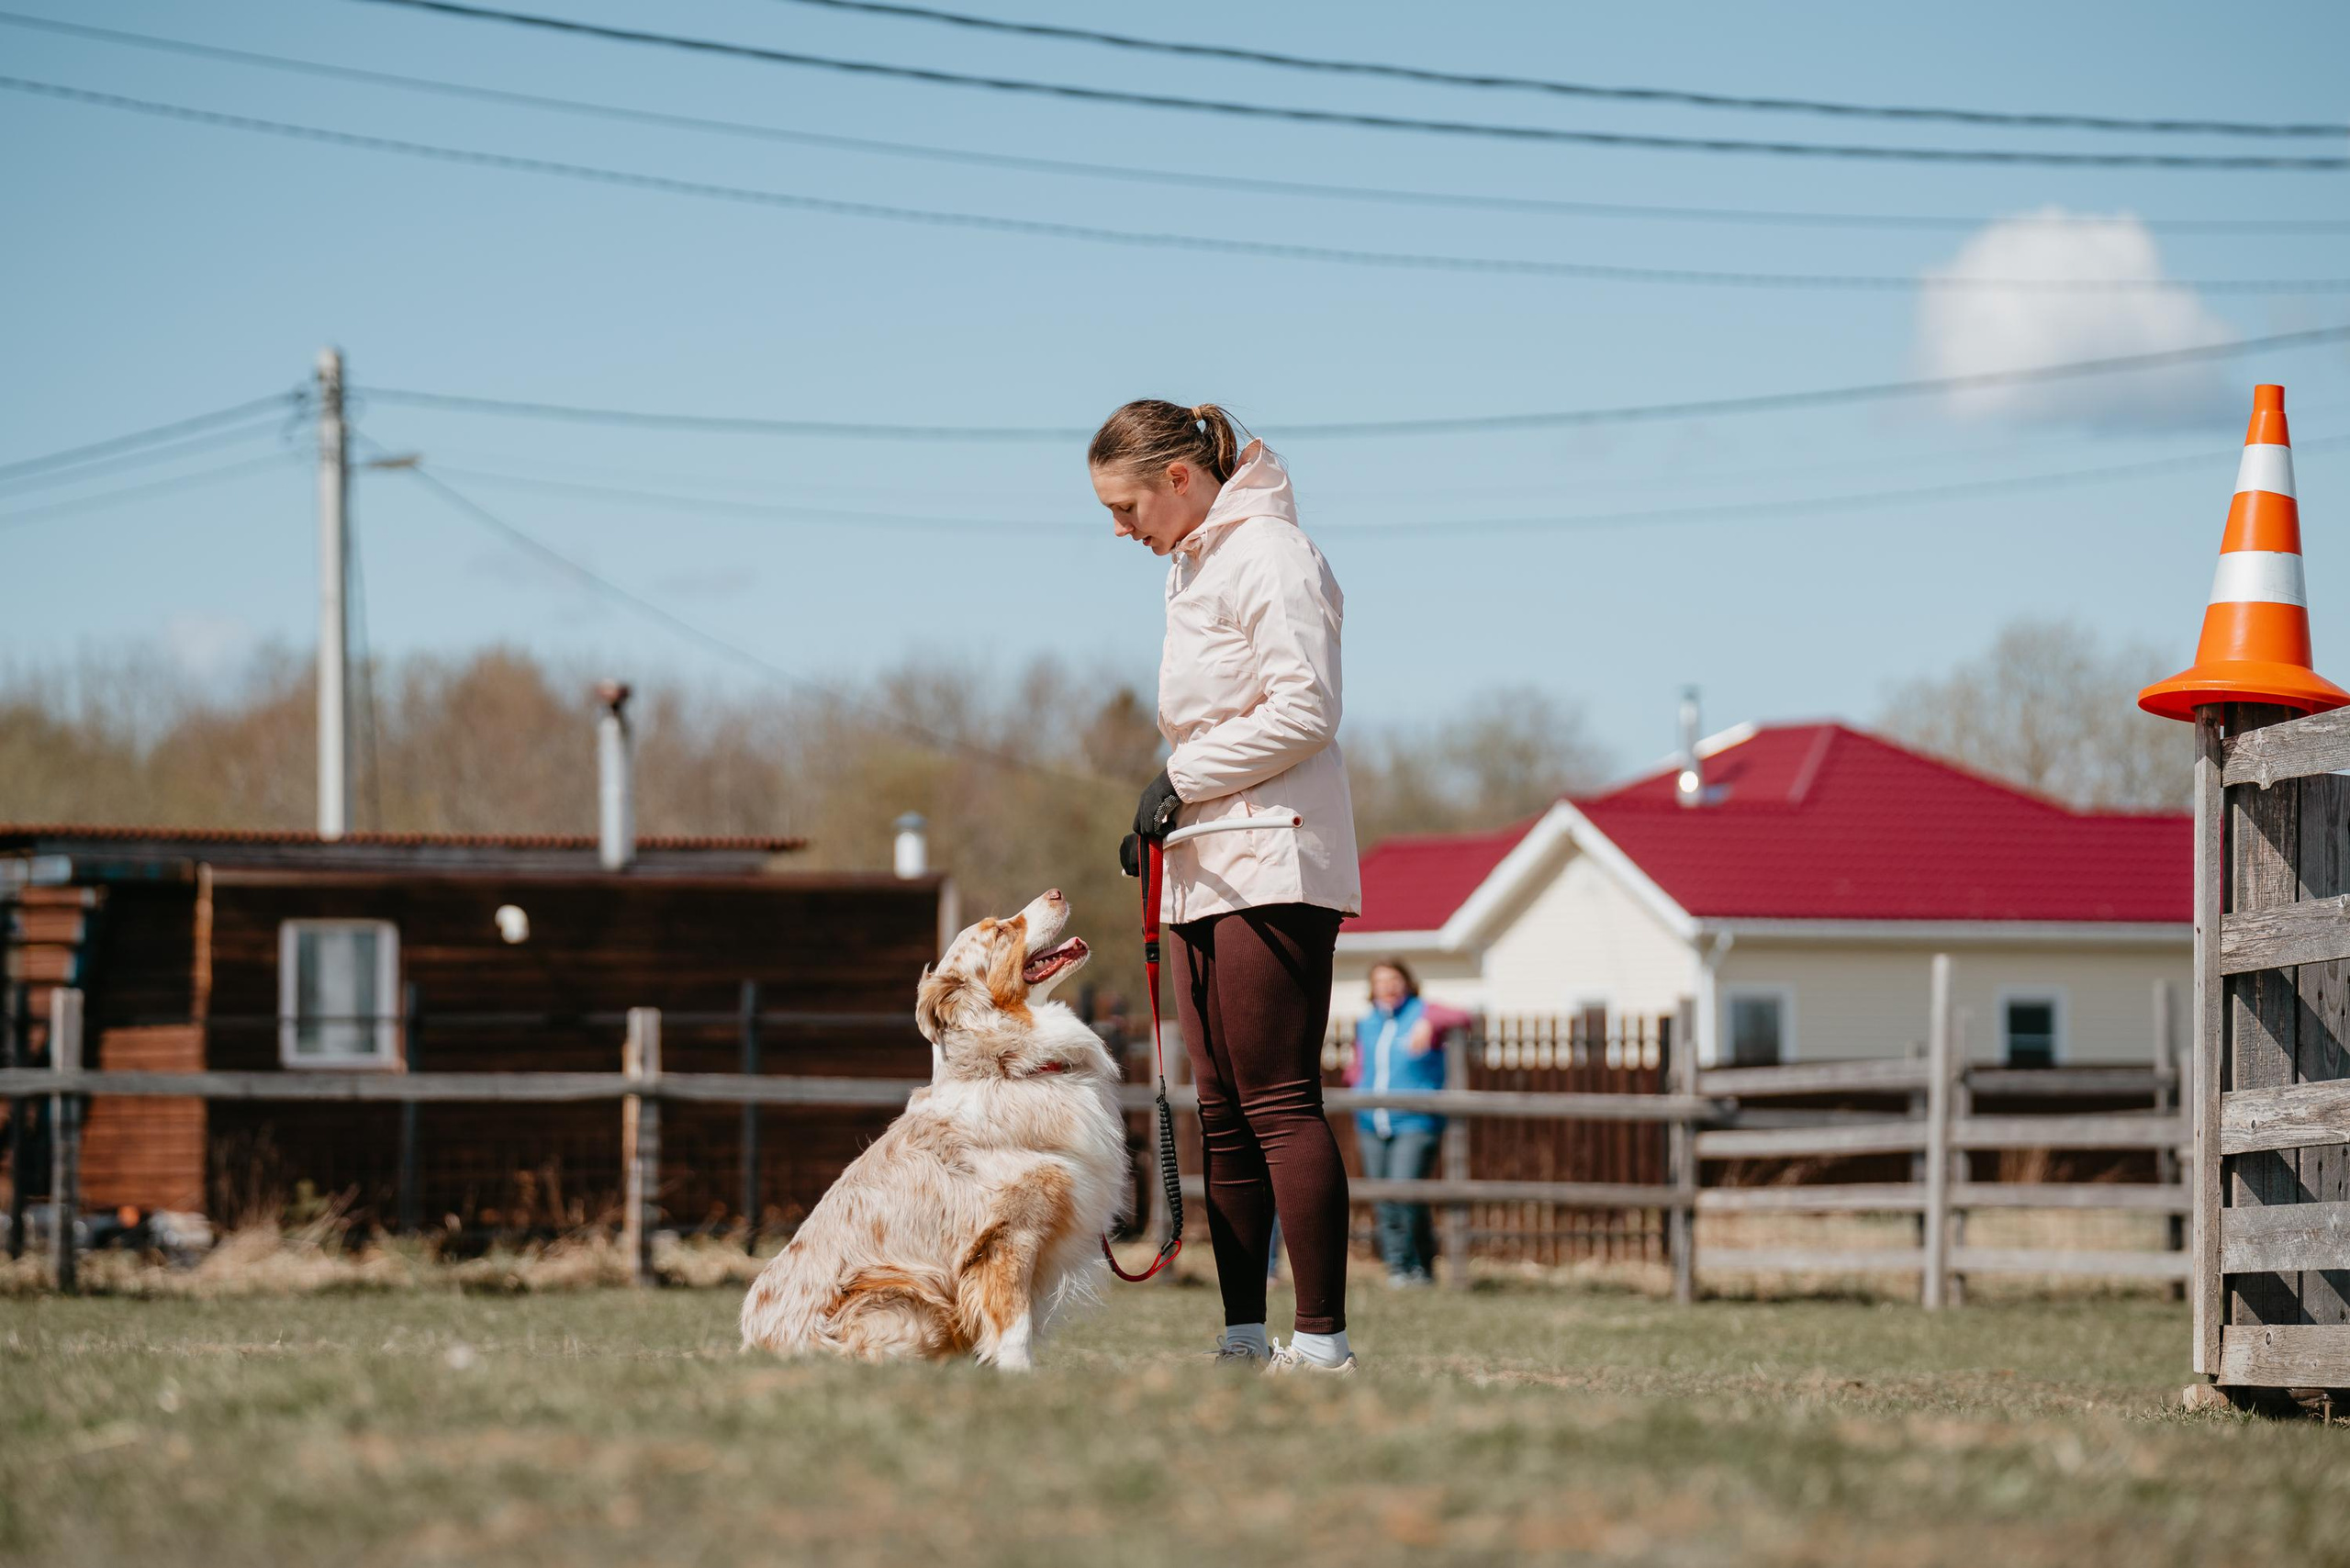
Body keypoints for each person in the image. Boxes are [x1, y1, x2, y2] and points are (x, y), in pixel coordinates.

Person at [1091, 399, 1361, 1374]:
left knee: (1278, 1098)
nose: (1119, 529)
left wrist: (1182, 782)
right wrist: (1166, 813)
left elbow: (1306, 710)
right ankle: (1245, 1335)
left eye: (1125, 507)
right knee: (1220, 1109)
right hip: (1209, 856)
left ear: (1176, 479)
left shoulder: (1272, 555)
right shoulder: (1193, 564)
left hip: (1278, 855)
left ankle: (1322, 1343)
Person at [1349, 958, 1470, 1288]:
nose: (1388, 986)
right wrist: (1356, 1085)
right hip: (1371, 1122)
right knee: (1384, 1198)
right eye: (1380, 981)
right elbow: (1359, 1066)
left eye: (1394, 979)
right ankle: (1398, 1268)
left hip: (1414, 1121)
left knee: (1405, 1192)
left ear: (1407, 982)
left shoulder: (1422, 1012)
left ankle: (1422, 1265)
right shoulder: (1368, 1023)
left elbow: (1465, 1017)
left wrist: (1429, 1021)